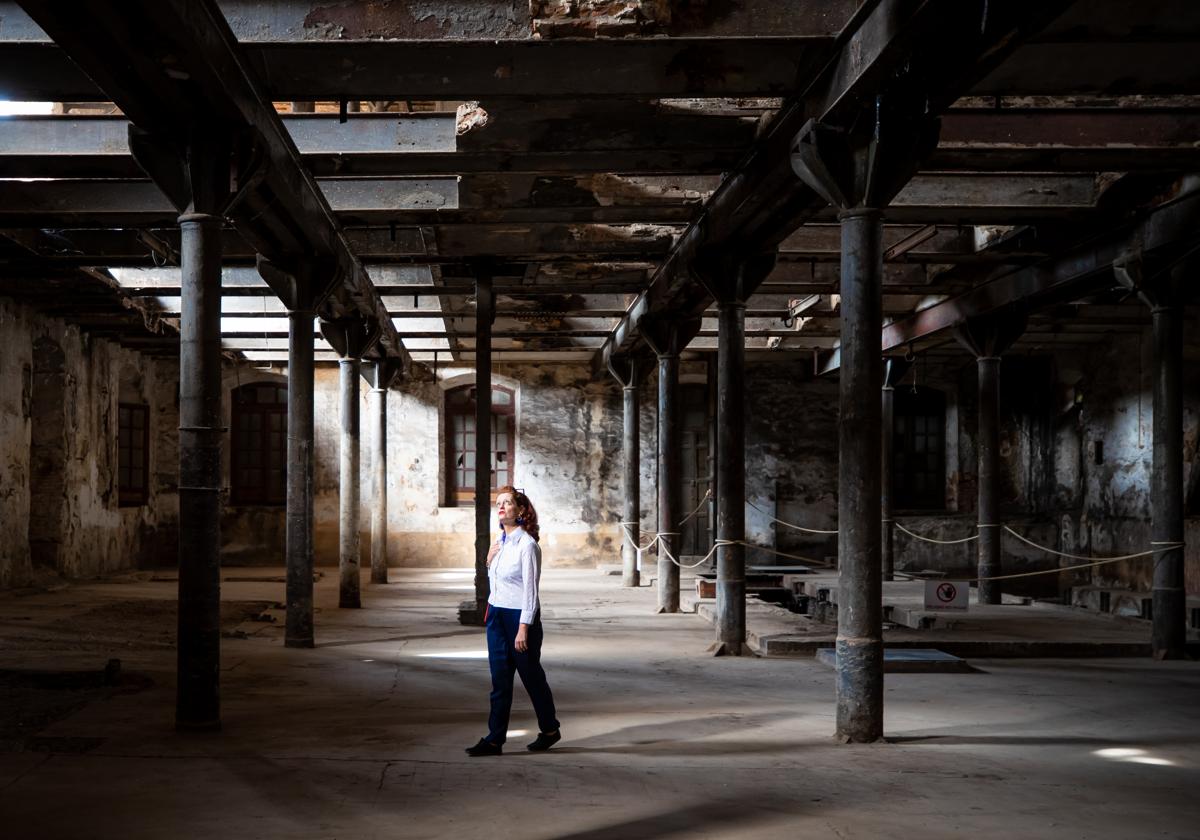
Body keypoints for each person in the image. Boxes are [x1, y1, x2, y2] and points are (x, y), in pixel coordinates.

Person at [465, 486, 562, 757]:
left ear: (520, 510)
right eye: (499, 502)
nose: (501, 506)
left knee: (531, 678)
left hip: (520, 618)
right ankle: (495, 739)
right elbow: (498, 580)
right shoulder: (500, 542)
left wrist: (523, 629)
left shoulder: (528, 546)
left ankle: (550, 730)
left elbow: (530, 591)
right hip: (497, 615)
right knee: (500, 681)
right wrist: (488, 561)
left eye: (507, 502)